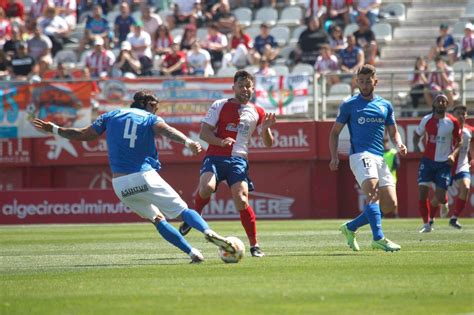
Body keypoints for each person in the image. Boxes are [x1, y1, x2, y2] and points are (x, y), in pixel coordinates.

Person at [32, 90, 237, 264]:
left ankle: (192, 253)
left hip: (120, 185)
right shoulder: (149, 117)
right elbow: (167, 130)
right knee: (184, 211)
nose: (157, 110)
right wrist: (187, 142)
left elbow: (84, 134)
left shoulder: (111, 115)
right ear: (147, 104)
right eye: (155, 105)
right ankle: (208, 231)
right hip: (144, 175)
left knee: (157, 219)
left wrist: (55, 129)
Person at [178, 70, 277, 258]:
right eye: (241, 86)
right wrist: (220, 142)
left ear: (253, 89)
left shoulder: (258, 111)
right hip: (215, 156)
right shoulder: (220, 105)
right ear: (233, 88)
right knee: (206, 188)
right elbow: (204, 133)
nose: (245, 89)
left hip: (238, 160)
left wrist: (265, 129)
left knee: (241, 200)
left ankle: (255, 245)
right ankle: (194, 217)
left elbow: (268, 143)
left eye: (248, 86)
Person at [329, 64, 407, 252]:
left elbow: (393, 131)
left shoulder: (385, 105)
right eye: (361, 81)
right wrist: (334, 157)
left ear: (375, 82)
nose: (364, 85)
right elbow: (334, 133)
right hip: (359, 154)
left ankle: (351, 227)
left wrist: (399, 143)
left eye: (368, 81)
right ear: (356, 82)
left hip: (379, 156)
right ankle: (378, 238)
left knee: (389, 205)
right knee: (372, 192)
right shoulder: (349, 105)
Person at [413, 94, 462, 233]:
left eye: (444, 101)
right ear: (433, 104)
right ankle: (426, 224)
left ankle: (444, 202)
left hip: (444, 163)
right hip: (428, 161)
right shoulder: (426, 120)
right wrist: (417, 147)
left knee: (440, 196)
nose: (441, 103)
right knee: (422, 193)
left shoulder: (452, 121)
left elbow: (459, 142)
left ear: (447, 105)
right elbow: (417, 135)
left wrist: (453, 155)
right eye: (438, 101)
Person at [447, 105, 472, 229]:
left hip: (462, 166)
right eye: (458, 113)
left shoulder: (469, 130)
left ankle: (454, 218)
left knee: (466, 187)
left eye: (464, 113)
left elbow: (470, 145)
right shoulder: (446, 129)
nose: (461, 116)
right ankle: (429, 221)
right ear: (453, 115)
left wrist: (471, 158)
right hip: (446, 166)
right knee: (439, 198)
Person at [383, 135, 400, 217]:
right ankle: (382, 214)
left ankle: (395, 214)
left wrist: (388, 171)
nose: (384, 144)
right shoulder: (378, 153)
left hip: (391, 179)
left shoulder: (393, 152)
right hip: (381, 179)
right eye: (382, 142)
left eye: (385, 141)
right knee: (381, 198)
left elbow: (397, 164)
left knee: (393, 198)